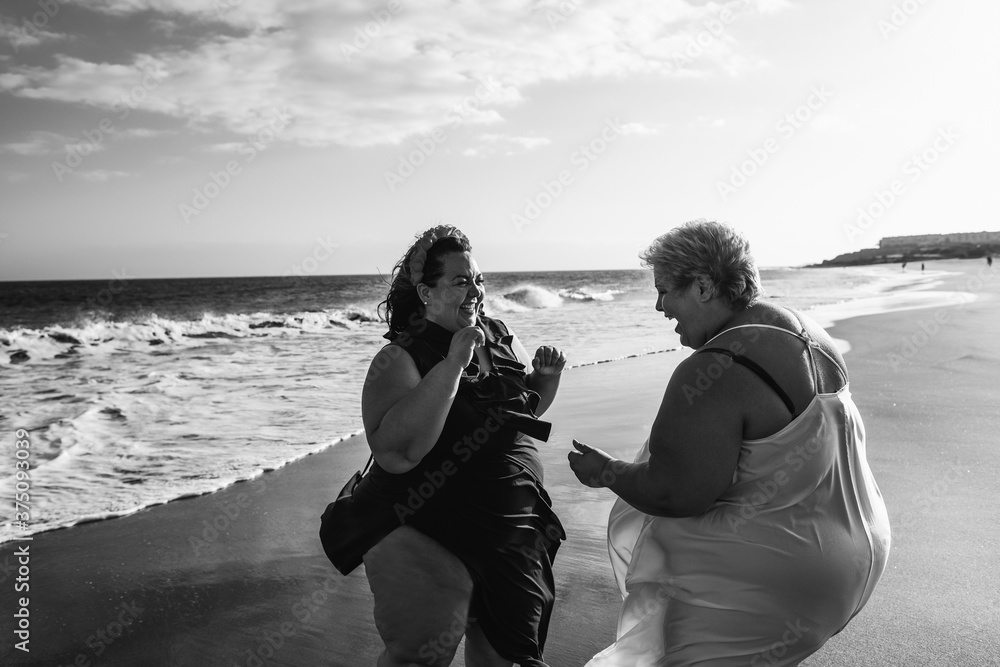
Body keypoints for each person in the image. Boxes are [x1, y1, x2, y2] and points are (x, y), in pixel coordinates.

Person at [568, 220, 891, 665]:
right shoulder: (810, 335)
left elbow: (677, 493)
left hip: (770, 585)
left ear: (703, 286)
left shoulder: (715, 368)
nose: (659, 306)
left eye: (664, 291)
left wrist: (606, 471)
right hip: (854, 556)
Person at [323, 225, 567, 667]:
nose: (475, 291)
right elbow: (397, 454)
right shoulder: (399, 358)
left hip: (511, 528)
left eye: (478, 280)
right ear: (425, 292)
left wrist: (545, 382)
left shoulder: (498, 335)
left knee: (500, 658)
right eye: (460, 281)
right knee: (419, 657)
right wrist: (454, 364)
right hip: (427, 526)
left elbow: (519, 415)